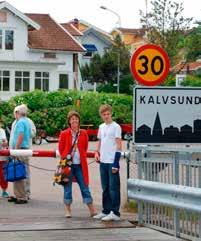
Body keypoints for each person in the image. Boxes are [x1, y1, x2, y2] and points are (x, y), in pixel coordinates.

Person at [58, 110, 96, 218]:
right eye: (72, 119)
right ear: (69, 121)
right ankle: (68, 210)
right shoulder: (64, 133)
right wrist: (67, 157)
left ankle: (92, 209)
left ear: (79, 120)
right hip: (68, 165)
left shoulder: (83, 133)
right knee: (67, 188)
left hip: (80, 165)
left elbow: (85, 147)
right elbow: (61, 149)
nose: (74, 120)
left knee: (84, 186)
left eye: (76, 118)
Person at [93, 104, 122, 221]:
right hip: (103, 161)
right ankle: (106, 210)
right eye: (104, 114)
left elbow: (119, 145)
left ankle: (115, 213)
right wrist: (96, 152)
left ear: (111, 113)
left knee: (113, 188)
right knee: (105, 187)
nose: (106, 116)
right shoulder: (101, 127)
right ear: (101, 116)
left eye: (108, 114)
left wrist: (116, 163)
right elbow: (100, 142)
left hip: (112, 161)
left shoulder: (116, 127)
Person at [9, 104, 36, 199]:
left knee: (21, 173)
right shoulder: (23, 122)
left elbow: (21, 135)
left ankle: (22, 195)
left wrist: (15, 149)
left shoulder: (21, 122)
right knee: (20, 172)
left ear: (18, 113)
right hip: (22, 149)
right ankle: (20, 194)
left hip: (21, 149)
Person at [0, 121, 9, 198]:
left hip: (2, 157)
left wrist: (5, 143)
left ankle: (4, 190)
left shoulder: (2, 131)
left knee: (3, 175)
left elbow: (5, 143)